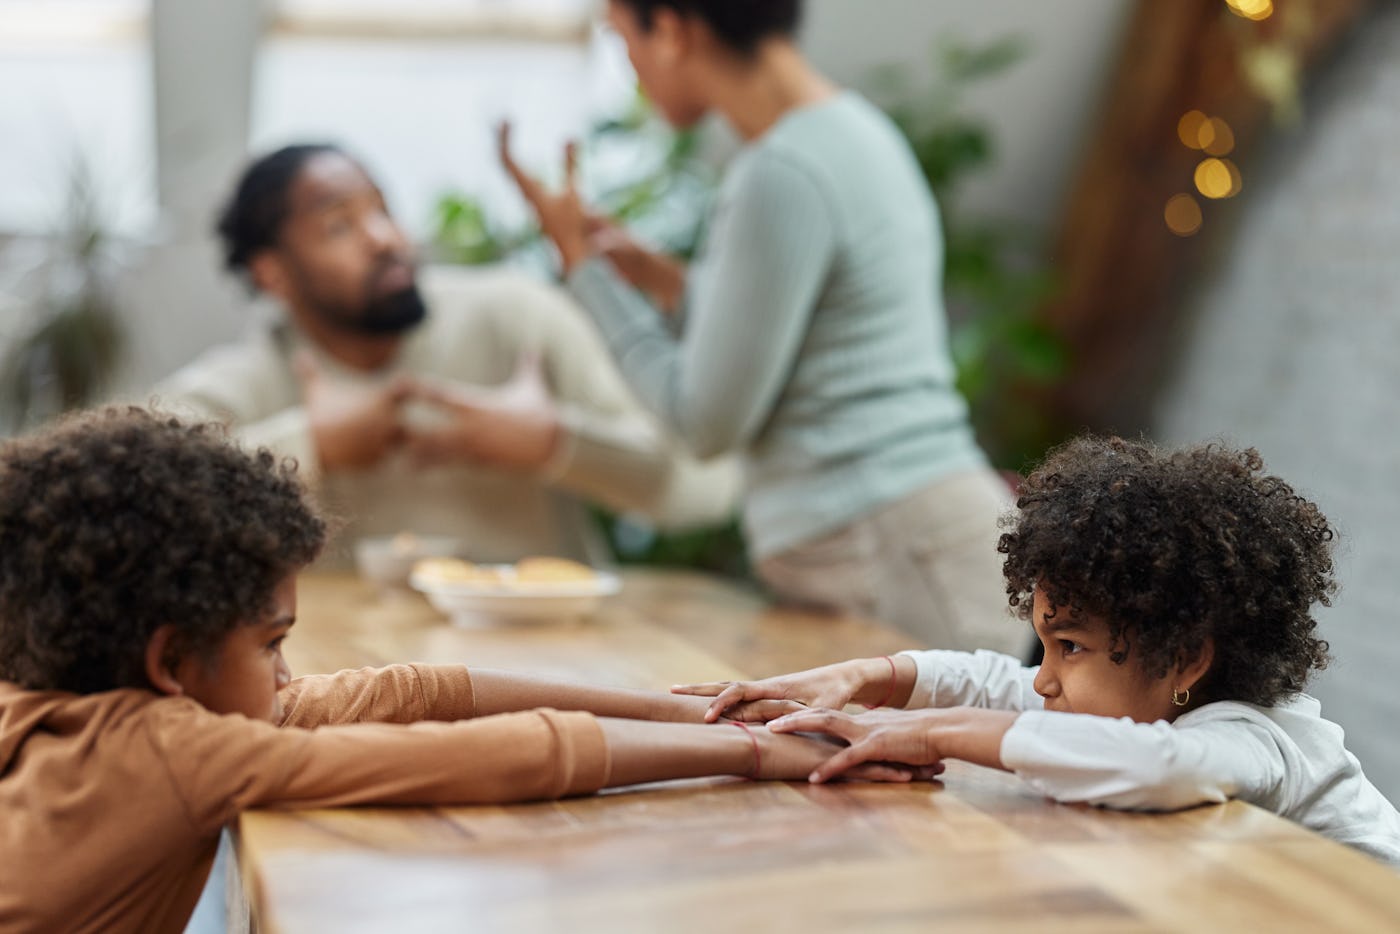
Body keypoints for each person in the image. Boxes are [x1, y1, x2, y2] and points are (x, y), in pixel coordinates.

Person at [0, 407, 910, 934]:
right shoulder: (171, 748)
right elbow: (510, 755)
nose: (289, 673)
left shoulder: (75, 708)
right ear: (169, 661)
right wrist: (756, 752)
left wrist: (696, 710)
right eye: (272, 643)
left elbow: (414, 694)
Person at [499, 0, 1021, 654]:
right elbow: (807, 341)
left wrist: (581, 270)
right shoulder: (848, 130)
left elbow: (704, 420)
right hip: (916, 536)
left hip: (893, 549)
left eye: (620, 35)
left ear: (670, 29)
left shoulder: (780, 173)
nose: (627, 65)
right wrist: (661, 282)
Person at [671, 436, 1400, 867]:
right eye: (1046, 643)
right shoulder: (1139, 697)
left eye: (1070, 647)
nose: (1043, 680)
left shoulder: (1253, 738)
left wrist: (925, 731)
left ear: (1185, 660)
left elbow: (1159, 769)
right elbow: (996, 681)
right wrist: (867, 675)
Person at [153, 144, 739, 566]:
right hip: (349, 695)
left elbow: (699, 491)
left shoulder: (515, 317)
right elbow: (123, 504)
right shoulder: (248, 380)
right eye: (340, 226)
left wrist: (555, 443)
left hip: (558, 685)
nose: (386, 237)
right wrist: (312, 445)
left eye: (383, 210)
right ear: (272, 273)